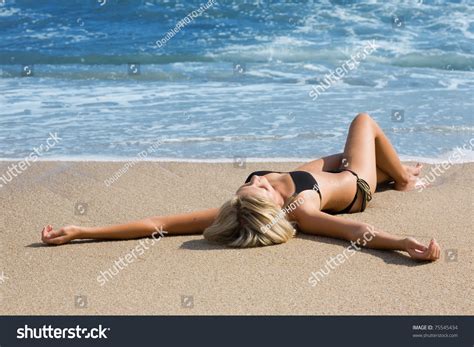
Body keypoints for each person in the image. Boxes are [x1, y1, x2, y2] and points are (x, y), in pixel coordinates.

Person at [41, 113, 440, 261]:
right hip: (355, 186)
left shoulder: (238, 209)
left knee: (344, 150)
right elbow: (356, 231)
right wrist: (404, 243)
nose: (260, 180)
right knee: (363, 122)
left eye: (251, 185)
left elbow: (155, 223)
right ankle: (401, 180)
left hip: (326, 169)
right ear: (276, 209)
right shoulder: (300, 210)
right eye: (263, 188)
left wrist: (82, 231)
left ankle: (393, 171)